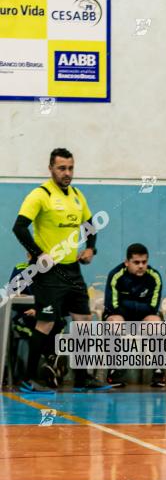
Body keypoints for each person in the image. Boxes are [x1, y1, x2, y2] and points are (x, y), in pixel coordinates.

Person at [12, 148, 108, 394]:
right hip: (48, 271)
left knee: (83, 321)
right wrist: (37, 253)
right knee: (46, 322)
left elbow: (90, 225)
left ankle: (82, 379)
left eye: (70, 168)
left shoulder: (77, 195)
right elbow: (20, 227)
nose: (67, 173)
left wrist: (91, 249)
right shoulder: (40, 195)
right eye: (62, 168)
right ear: (51, 169)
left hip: (72, 269)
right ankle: (28, 378)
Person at [103, 243, 165, 388]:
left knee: (156, 322)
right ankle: (114, 369)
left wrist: (129, 306)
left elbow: (152, 307)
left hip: (142, 319)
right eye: (136, 262)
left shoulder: (154, 277)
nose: (141, 266)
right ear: (127, 262)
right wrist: (133, 310)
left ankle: (158, 370)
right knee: (114, 321)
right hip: (120, 317)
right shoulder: (116, 275)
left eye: (144, 262)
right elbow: (112, 306)